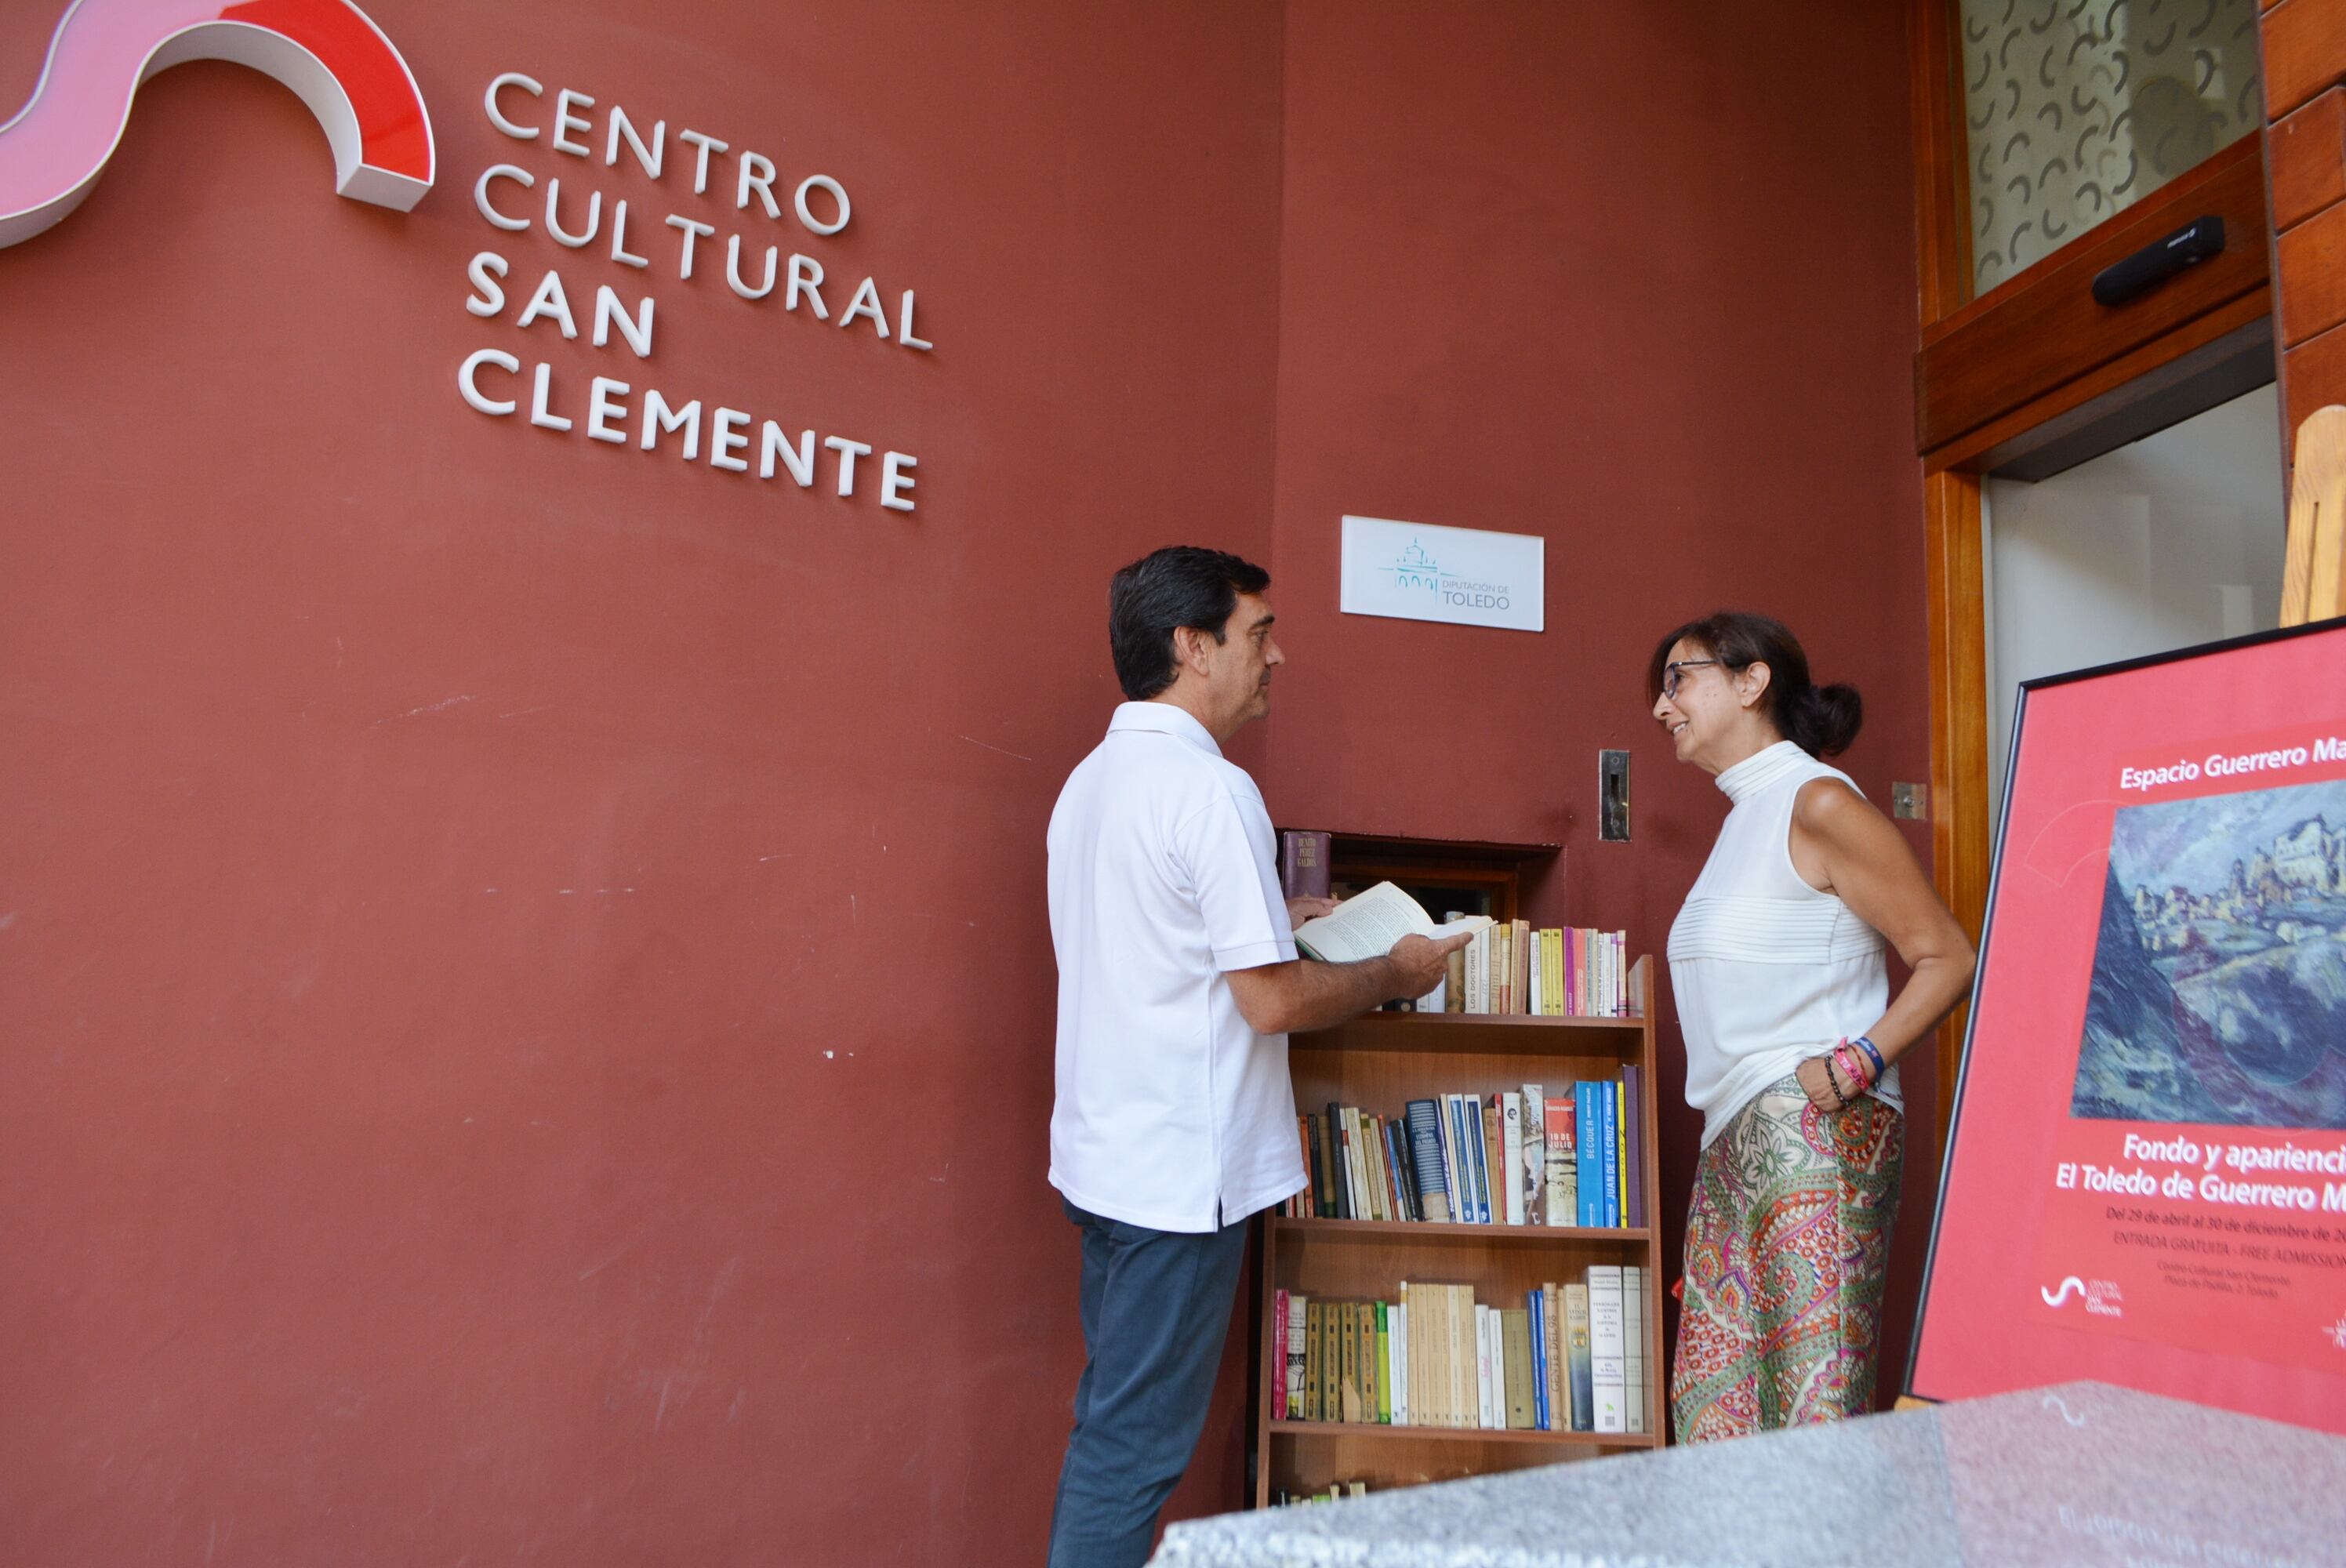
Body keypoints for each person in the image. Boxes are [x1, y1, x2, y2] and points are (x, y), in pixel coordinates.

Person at [1044, 546, 1466, 1567]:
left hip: (1106, 1158)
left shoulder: (1091, 782)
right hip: (1180, 1179)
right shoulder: (1211, 788)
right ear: (1194, 648)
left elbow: (1163, 942)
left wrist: (1284, 919)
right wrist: (1393, 972)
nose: (1278, 657)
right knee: (1132, 1451)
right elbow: (1270, 1003)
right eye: (1260, 634)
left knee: (1113, 1423)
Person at [1647, 612, 1974, 1443]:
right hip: (1733, 1140)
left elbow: (1946, 954)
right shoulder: (1742, 818)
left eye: (1678, 677)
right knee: (1713, 1420)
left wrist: (1856, 1064)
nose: (1661, 705)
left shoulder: (1817, 799)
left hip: (1812, 1133)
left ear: (1752, 681)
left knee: (1808, 1422)